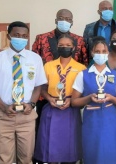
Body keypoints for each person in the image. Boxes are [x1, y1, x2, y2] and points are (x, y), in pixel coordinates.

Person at [0, 21, 47, 164]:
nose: (21, 38)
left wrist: (32, 103)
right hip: (4, 116)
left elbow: (38, 86)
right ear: (9, 36)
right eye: (17, 35)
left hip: (27, 117)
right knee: (4, 159)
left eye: (24, 36)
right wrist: (4, 107)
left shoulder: (35, 59)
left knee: (26, 158)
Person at [31, 8, 88, 148]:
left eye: (68, 19)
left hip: (71, 96)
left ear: (72, 22)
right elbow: (33, 63)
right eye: (62, 18)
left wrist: (75, 96)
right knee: (44, 134)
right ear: (56, 20)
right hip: (45, 95)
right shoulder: (41, 38)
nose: (65, 21)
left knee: (69, 135)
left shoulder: (79, 40)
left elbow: (83, 63)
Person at [71, 39, 116, 164]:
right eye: (97, 51)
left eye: (103, 51)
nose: (100, 54)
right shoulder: (83, 75)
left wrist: (111, 98)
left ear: (108, 53)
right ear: (92, 53)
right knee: (92, 154)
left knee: (109, 154)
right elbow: (74, 102)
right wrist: (89, 98)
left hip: (110, 121)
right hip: (91, 121)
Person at [34, 34, 86, 163]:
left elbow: (84, 91)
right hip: (51, 106)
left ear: (74, 48)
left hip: (71, 109)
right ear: (57, 47)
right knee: (49, 146)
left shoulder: (81, 68)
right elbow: (42, 87)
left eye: (68, 45)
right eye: (61, 45)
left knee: (69, 146)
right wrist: (49, 98)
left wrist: (72, 100)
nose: (65, 48)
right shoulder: (48, 66)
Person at [88, 30, 116, 164]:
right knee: (102, 141)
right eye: (115, 38)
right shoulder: (98, 58)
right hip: (99, 109)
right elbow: (89, 81)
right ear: (109, 41)